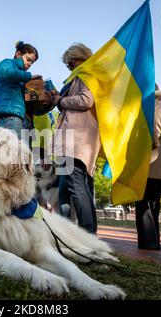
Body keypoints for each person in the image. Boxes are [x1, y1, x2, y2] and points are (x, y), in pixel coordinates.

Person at [50, 43, 99, 234]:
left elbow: (86, 100)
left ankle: (88, 233)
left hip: (76, 139)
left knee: (75, 185)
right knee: (73, 186)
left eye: (71, 62)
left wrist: (61, 100)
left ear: (81, 58)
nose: (69, 66)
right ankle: (75, 231)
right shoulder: (87, 75)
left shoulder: (86, 74)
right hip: (76, 139)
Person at [135, 84, 161, 250]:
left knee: (142, 201)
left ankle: (146, 241)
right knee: (154, 201)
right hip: (160, 155)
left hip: (140, 156)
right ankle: (155, 240)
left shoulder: (136, 106)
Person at [0, 41, 42, 139]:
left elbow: (24, 98)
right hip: (9, 116)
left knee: (22, 153)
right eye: (28, 59)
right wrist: (30, 76)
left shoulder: (22, 78)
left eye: (32, 62)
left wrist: (40, 95)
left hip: (22, 118)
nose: (30, 64)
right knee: (11, 152)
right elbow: (7, 73)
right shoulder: (6, 63)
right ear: (18, 54)